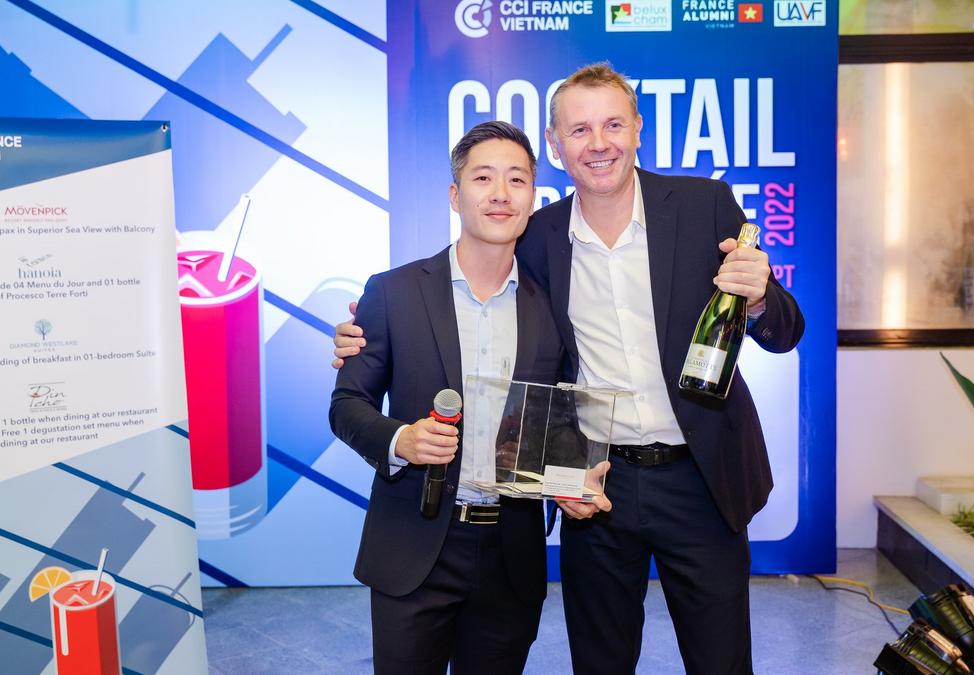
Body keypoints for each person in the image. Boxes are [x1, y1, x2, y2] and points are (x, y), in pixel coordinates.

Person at [335, 63, 804, 674]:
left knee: (722, 662)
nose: (598, 143)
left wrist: (761, 297)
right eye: (579, 130)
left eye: (613, 125)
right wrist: (364, 334)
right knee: (600, 662)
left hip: (702, 478)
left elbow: (786, 331)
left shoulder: (703, 206)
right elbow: (487, 324)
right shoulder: (536, 237)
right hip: (598, 486)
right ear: (556, 145)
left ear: (638, 129)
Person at [329, 120, 608, 675]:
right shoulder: (393, 291)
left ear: (532, 197)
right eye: (483, 178)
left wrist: (570, 480)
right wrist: (401, 439)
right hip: (413, 546)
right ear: (456, 196)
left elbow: (560, 419)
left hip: (512, 552)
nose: (501, 193)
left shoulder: (554, 307)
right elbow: (346, 405)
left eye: (517, 180)